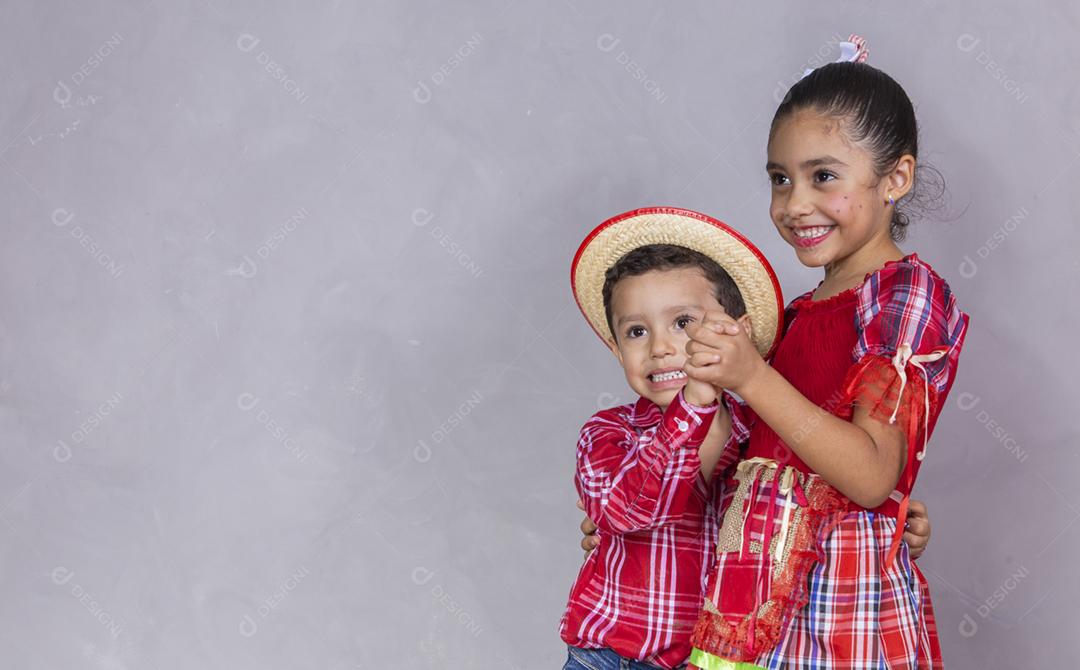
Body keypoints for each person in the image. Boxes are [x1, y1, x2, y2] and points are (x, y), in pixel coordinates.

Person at [684, 37, 970, 669]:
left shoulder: (905, 294)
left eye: (823, 176)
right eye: (780, 179)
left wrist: (751, 376)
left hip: (838, 612)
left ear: (896, 178)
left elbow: (869, 476)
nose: (794, 204)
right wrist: (633, 514)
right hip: (750, 600)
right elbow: (756, 462)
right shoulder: (793, 314)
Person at [560, 207, 786, 670]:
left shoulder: (767, 436)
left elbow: (807, 514)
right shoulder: (608, 433)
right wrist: (694, 405)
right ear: (617, 349)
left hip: (709, 661)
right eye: (636, 331)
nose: (659, 347)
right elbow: (626, 512)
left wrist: (895, 524)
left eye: (683, 322)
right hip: (609, 658)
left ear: (738, 332)